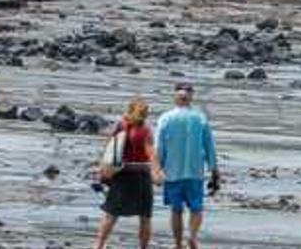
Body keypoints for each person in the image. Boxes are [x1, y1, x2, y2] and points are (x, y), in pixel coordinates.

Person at [155, 83, 219, 249]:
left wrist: (156, 169)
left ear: (175, 97)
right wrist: (214, 169)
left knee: (176, 210)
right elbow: (209, 146)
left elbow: (159, 147)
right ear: (191, 98)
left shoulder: (166, 118)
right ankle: (192, 236)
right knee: (196, 209)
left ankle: (177, 244)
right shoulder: (200, 118)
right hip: (195, 171)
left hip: (172, 172)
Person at [94, 97, 162, 249]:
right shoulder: (144, 130)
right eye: (143, 112)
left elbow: (109, 150)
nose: (144, 115)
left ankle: (98, 245)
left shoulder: (121, 126)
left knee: (111, 213)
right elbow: (151, 153)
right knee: (144, 216)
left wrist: (102, 169)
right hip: (140, 175)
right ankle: (142, 247)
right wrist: (157, 172)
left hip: (122, 174)